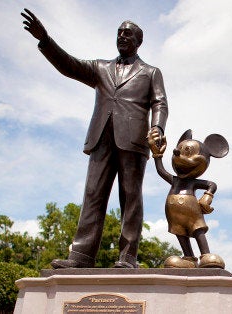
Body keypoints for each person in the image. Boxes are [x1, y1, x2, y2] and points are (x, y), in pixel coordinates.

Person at [21, 9, 168, 268]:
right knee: (93, 195)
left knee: (130, 197)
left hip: (133, 140)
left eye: (128, 33)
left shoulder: (150, 72)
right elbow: (69, 65)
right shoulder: (100, 67)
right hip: (101, 138)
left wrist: (157, 128)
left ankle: (127, 257)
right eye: (119, 33)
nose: (122, 36)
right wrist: (45, 40)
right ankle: (80, 256)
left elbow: (160, 103)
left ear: (138, 41)